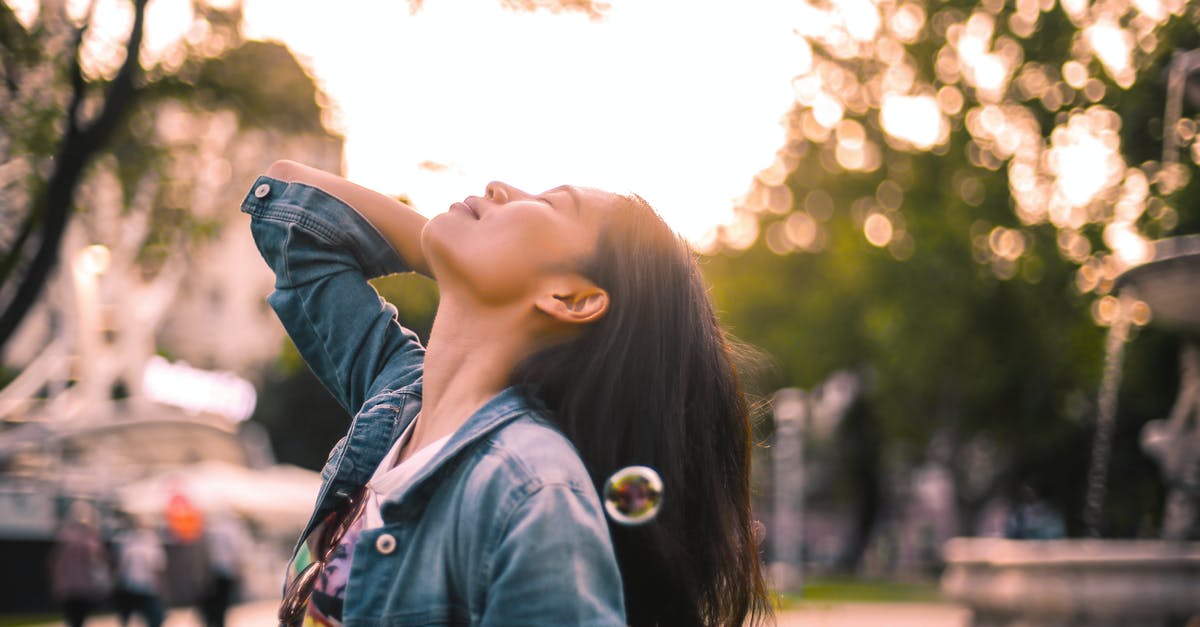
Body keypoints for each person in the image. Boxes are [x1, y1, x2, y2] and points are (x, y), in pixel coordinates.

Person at [244, 160, 772, 626]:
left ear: (571, 297)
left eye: (547, 203)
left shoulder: (535, 494)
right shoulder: (398, 399)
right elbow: (288, 206)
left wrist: (474, 252)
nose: (498, 186)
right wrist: (458, 251)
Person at [49, 500, 111, 627]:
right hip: (82, 587)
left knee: (74, 619)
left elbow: (56, 564)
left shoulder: (65, 537)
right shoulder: (90, 538)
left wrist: (57, 583)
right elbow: (99, 562)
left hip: (71, 587)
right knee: (78, 618)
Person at [111, 515, 167, 627]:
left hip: (137, 586)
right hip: (138, 587)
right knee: (152, 618)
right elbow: (158, 567)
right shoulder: (144, 542)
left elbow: (121, 566)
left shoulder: (130, 541)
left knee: (145, 617)